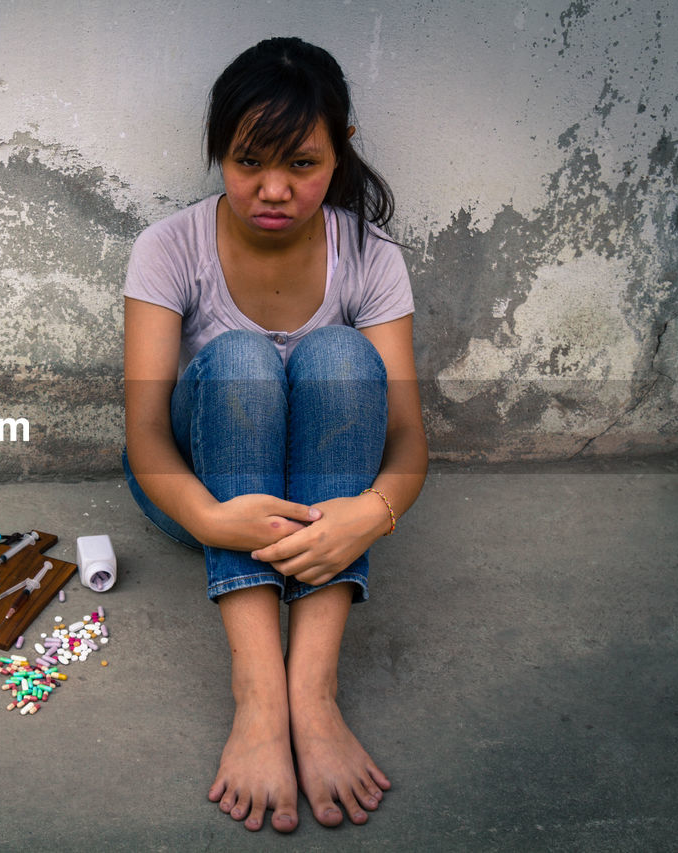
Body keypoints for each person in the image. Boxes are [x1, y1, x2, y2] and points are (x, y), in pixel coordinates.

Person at [122, 37, 428, 833]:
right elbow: (147, 438)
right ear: (219, 149)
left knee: (337, 355)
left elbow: (406, 439)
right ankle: (259, 694)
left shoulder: (370, 255)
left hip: (331, 490)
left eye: (301, 163)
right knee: (241, 359)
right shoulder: (168, 249)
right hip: (196, 481)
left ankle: (313, 693)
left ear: (340, 153)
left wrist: (374, 512)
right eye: (249, 159)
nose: (273, 188)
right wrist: (209, 518)